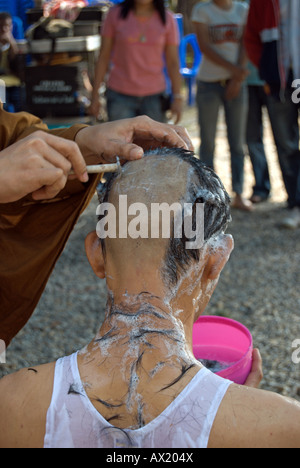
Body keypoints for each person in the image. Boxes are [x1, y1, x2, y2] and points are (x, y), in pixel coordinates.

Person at [0, 148, 300, 449]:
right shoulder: (283, 426)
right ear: (216, 259)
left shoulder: (11, 405)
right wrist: (241, 415)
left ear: (95, 254)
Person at [0, 104, 193, 347]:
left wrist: (83, 142)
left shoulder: (26, 385)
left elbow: (9, 138)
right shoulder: (16, 386)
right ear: (97, 252)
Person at [192, 0, 252, 211]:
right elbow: (204, 46)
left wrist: (237, 78)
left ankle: (238, 193)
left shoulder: (242, 10)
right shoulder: (202, 10)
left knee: (237, 142)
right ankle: (209, 195)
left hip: (237, 83)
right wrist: (234, 71)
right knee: (207, 141)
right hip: (208, 83)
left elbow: (246, 42)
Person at [245, 0, 300, 229]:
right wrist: (267, 72)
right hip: (280, 82)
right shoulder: (262, 2)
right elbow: (251, 38)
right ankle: (296, 204)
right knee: (286, 144)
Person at [88, 0, 183, 124]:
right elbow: (103, 57)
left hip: (154, 96)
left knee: (153, 143)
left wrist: (177, 97)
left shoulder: (168, 18)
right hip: (119, 95)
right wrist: (95, 97)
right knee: (120, 143)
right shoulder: (115, 14)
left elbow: (173, 62)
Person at [246, 62, 271, 204]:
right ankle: (261, 187)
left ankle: (294, 194)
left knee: (285, 141)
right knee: (252, 139)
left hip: (276, 79)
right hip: (247, 81)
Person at [0, 12, 22, 112]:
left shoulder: (15, 46)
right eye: (1, 26)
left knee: (20, 107)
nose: (4, 30)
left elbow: (19, 65)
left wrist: (12, 44)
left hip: (14, 81)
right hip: (1, 83)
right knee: (4, 108)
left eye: (7, 26)